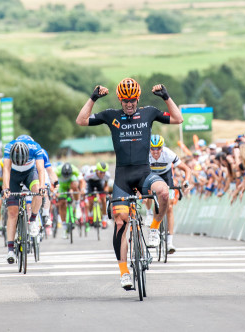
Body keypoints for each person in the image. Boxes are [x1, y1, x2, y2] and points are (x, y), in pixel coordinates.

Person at [76, 77, 183, 290]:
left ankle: (154, 228)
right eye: (125, 100)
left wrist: (166, 97)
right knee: (120, 222)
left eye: (133, 100)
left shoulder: (149, 112)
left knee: (163, 192)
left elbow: (178, 119)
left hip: (144, 174)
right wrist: (93, 98)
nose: (129, 104)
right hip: (123, 178)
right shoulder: (111, 116)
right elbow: (81, 120)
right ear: (120, 99)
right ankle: (124, 272)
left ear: (137, 98)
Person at [2, 137, 46, 264]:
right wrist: (6, 188)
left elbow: (41, 169)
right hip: (13, 176)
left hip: (29, 173)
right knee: (12, 213)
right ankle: (10, 250)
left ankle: (32, 219)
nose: (20, 162)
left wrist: (42, 187)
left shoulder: (35, 148)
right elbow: (6, 169)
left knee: (38, 190)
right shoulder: (9, 147)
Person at [144, 135, 191, 253]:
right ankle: (149, 213)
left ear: (162, 148)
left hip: (166, 177)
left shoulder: (168, 154)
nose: (155, 152)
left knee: (169, 208)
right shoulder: (145, 155)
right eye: (152, 148)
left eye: (158, 148)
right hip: (151, 176)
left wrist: (186, 181)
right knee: (148, 191)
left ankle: (170, 242)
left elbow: (187, 169)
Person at [55, 163, 84, 239]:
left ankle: (77, 206)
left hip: (71, 183)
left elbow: (81, 181)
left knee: (75, 186)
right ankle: (64, 228)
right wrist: (55, 192)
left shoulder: (75, 170)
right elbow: (52, 182)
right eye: (65, 175)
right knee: (62, 204)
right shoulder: (57, 171)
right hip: (62, 186)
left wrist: (82, 190)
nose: (66, 177)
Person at [83, 161, 111, 229]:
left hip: (99, 183)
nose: (102, 174)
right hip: (90, 183)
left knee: (104, 200)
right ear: (97, 170)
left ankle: (104, 220)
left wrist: (106, 191)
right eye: (101, 172)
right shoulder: (90, 173)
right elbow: (84, 182)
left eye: (104, 172)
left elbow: (106, 185)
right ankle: (90, 215)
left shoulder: (107, 175)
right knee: (90, 201)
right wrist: (84, 191)